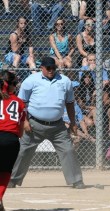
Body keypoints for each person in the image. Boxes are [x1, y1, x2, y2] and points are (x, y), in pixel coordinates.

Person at [7, 57, 85, 189]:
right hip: (34, 124)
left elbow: (70, 103)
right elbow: (21, 103)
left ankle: (76, 180)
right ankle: (13, 179)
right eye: (48, 68)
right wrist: (25, 121)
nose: (51, 70)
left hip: (58, 126)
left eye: (53, 68)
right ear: (41, 68)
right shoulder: (31, 80)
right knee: (23, 151)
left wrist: (73, 122)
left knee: (68, 150)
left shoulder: (65, 81)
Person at [0, 71, 26, 211]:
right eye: (14, 84)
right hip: (11, 140)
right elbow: (21, 133)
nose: (16, 86)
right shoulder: (19, 102)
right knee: (4, 172)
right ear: (9, 85)